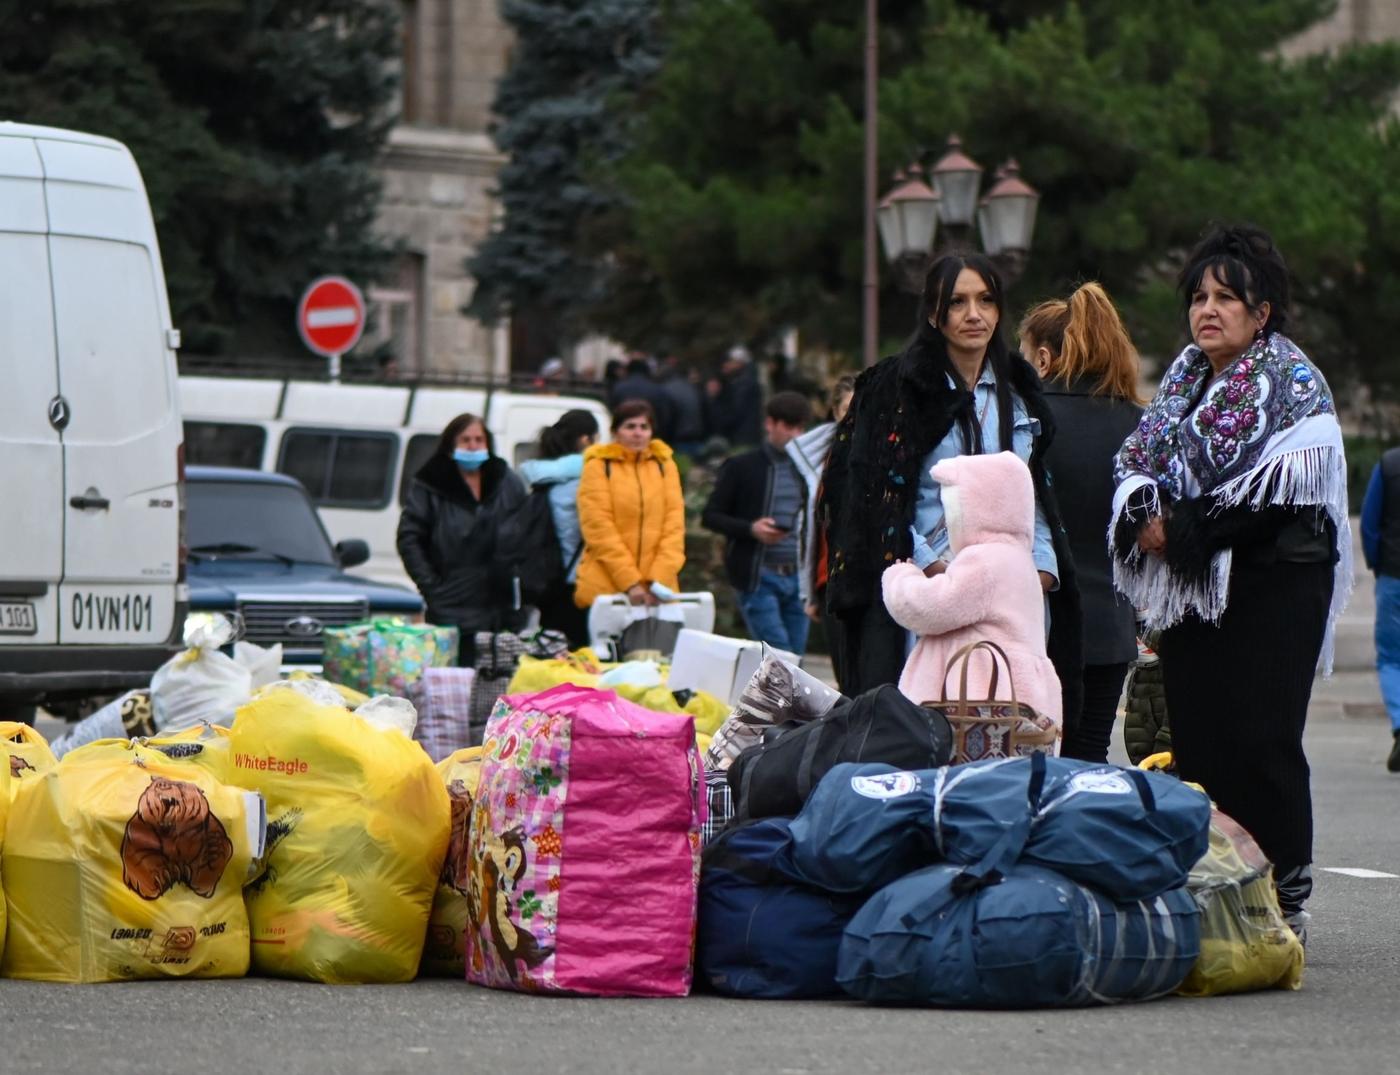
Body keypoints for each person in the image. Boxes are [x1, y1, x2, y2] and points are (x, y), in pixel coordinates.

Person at [1110, 223, 1350, 941]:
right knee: (1203, 740)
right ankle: (1222, 888)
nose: (1207, 309)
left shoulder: (1294, 384)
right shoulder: (1183, 380)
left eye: (1226, 297)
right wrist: (1147, 513)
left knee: (1263, 741)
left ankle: (1288, 898)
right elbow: (1137, 460)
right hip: (1193, 590)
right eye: (1199, 297)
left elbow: (1286, 494)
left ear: (1262, 310)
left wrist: (1182, 530)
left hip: (1277, 584)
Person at [822, 253, 1082, 707]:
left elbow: (1034, 495)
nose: (974, 314)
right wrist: (931, 570)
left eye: (985, 300)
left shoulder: (1019, 392)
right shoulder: (894, 389)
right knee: (920, 731)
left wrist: (1038, 570)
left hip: (1010, 598)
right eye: (957, 302)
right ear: (933, 313)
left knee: (1007, 734)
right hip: (925, 588)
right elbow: (870, 498)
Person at [1019, 283, 1144, 763]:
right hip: (1110, 625)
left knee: (1032, 757)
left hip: (1039, 621)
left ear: (1045, 359)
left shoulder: (1026, 423)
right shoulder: (1136, 422)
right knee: (1089, 755)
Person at [882, 452, 1063, 723]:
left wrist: (900, 576)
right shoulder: (1020, 561)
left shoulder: (985, 560)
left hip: (975, 707)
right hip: (1019, 699)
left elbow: (930, 607)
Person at [397, 413, 528, 665]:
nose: (473, 446)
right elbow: (409, 538)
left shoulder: (506, 480)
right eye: (465, 439)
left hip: (502, 607)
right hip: (452, 604)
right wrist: (432, 587)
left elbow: (526, 531)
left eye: (479, 439)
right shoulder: (430, 485)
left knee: (500, 683)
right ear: (451, 444)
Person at [702, 391, 813, 654]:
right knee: (780, 655)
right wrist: (751, 529)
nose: (795, 435)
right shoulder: (743, 466)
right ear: (770, 424)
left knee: (794, 657)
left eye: (799, 427)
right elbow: (711, 515)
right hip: (759, 573)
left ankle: (780, 696)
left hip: (799, 576)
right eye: (787, 426)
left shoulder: (809, 469)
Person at [574, 400, 686, 609]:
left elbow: (674, 527)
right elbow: (598, 528)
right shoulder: (599, 466)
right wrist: (630, 582)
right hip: (607, 588)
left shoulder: (664, 465)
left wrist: (657, 581)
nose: (638, 433)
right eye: (630, 426)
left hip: (658, 593)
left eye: (644, 427)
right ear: (616, 431)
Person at [519, 409, 601, 646]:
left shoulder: (545, 479)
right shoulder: (585, 477)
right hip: (577, 582)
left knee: (551, 657)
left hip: (548, 580)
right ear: (586, 440)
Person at [609, 356, 675, 442]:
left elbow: (611, 412)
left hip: (624, 438)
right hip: (651, 438)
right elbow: (664, 417)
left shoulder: (619, 388)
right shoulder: (656, 389)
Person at [708, 345, 764, 447]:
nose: (727, 365)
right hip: (746, 434)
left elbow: (736, 410)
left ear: (739, 363)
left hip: (742, 436)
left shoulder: (743, 383)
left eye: (730, 361)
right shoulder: (745, 380)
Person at [657, 354, 707, 457]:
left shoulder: (665, 390)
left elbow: (666, 418)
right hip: (697, 436)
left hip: (677, 438)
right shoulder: (691, 387)